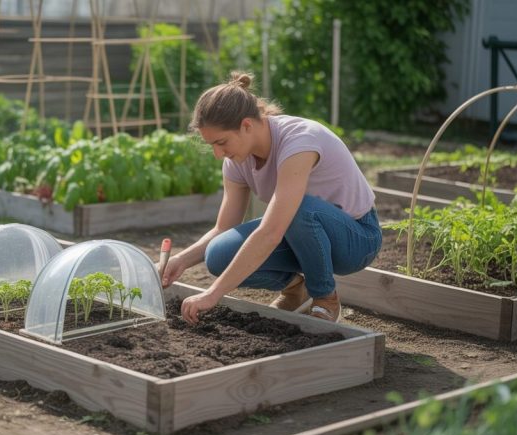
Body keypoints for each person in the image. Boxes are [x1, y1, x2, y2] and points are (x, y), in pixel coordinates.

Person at [161, 71, 382, 324]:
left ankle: (324, 297)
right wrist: (180, 261)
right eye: (212, 145)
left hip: (356, 239)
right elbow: (223, 228)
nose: (217, 154)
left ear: (246, 125)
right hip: (301, 237)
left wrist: (213, 293)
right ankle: (296, 289)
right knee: (218, 254)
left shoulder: (299, 140)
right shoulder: (237, 160)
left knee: (299, 209)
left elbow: (271, 232)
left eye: (221, 142)